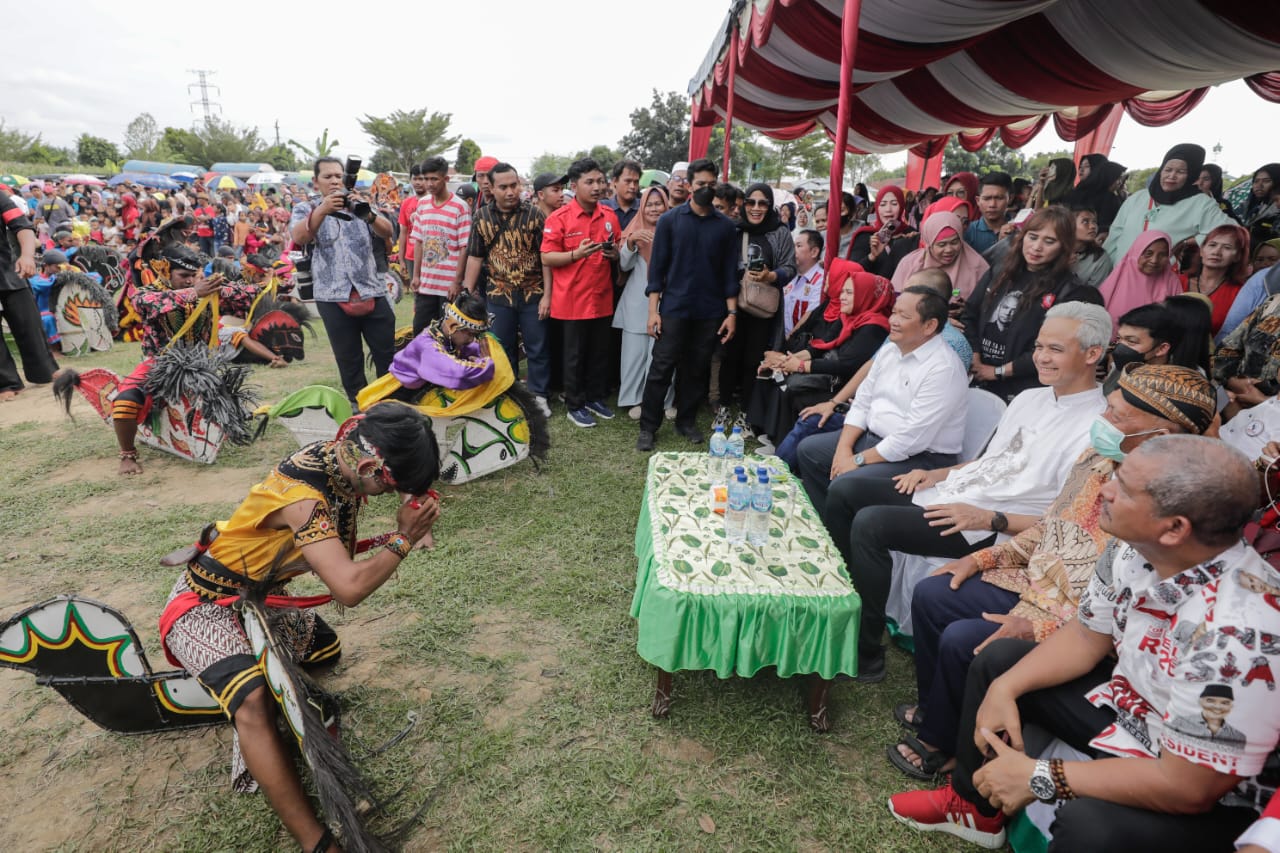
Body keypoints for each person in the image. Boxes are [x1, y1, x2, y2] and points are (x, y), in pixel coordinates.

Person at [889, 436, 1275, 853]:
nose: (1105, 489)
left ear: (1174, 528)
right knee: (999, 661)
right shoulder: (1132, 549)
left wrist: (1040, 775)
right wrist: (1004, 687)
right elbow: (1086, 635)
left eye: (1124, 488)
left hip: (1207, 790)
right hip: (1134, 718)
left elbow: (1189, 788)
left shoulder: (1239, 634)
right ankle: (973, 807)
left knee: (1089, 825)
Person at [891, 364, 1216, 781]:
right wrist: (982, 560)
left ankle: (948, 746)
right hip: (1036, 585)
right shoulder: (1098, 456)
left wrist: (1041, 626)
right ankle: (939, 714)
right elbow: (1052, 524)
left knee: (965, 639)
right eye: (1107, 409)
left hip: (1074, 622)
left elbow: (1120, 615)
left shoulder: (1171, 512)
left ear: (1162, 435)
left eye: (1116, 416)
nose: (1102, 422)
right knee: (935, 594)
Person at [159, 401, 441, 853]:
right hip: (205, 605)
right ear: (369, 465)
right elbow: (348, 587)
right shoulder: (303, 499)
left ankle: (244, 683)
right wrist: (403, 538)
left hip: (263, 602)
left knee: (327, 649)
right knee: (254, 702)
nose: (390, 497)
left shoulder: (335, 457)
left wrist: (410, 503)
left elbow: (359, 512)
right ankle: (317, 843)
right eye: (390, 489)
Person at [837, 302, 1109, 683]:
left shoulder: (1096, 428)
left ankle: (866, 651)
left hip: (992, 525)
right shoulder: (1032, 398)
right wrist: (936, 474)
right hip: (956, 494)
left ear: (1092, 354)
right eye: (1039, 347)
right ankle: (839, 600)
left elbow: (1066, 524)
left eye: (1055, 350)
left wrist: (989, 519)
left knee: (871, 523)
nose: (1042, 358)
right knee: (847, 490)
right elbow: (993, 461)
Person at [796, 286, 967, 520]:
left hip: (920, 458)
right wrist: (844, 448)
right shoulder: (890, 351)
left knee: (845, 485)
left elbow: (910, 439)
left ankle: (840, 546)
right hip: (874, 440)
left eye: (904, 316)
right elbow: (863, 403)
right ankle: (825, 523)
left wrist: (856, 460)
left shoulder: (943, 368)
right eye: (894, 312)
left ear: (930, 326)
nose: (893, 321)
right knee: (809, 450)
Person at [635, 158, 738, 452]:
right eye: (700, 184)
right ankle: (648, 427)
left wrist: (732, 313)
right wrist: (653, 311)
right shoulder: (670, 220)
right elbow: (657, 270)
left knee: (696, 369)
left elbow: (729, 274)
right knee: (661, 368)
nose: (706, 189)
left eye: (710, 184)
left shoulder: (725, 227)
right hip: (674, 309)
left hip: (710, 312)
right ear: (688, 185)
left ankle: (686, 421)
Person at [963, 206, 1102, 400]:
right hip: (977, 378)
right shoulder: (1001, 271)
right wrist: (975, 357)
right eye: (1033, 236)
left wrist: (998, 372)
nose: (1037, 247)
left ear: (1064, 246)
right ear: (1022, 237)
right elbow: (970, 313)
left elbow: (1055, 347)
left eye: (1050, 241)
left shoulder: (1070, 290)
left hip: (1024, 390)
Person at [289, 157, 396, 408]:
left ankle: (390, 405)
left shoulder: (359, 202)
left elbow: (387, 231)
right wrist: (323, 210)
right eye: (328, 177)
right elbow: (299, 237)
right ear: (316, 182)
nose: (335, 180)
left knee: (386, 354)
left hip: (372, 289)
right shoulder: (305, 208)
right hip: (331, 294)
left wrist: (366, 212)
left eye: (338, 175)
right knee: (349, 359)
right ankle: (359, 407)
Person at [748, 264, 892, 446]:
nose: (842, 297)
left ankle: (783, 443)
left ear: (865, 295)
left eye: (849, 293)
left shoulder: (874, 327)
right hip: (831, 374)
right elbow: (822, 346)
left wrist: (801, 366)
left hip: (847, 387)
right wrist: (786, 361)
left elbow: (848, 366)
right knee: (778, 375)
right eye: (843, 291)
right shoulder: (849, 316)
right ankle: (776, 438)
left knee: (792, 390)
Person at [462, 163, 552, 417]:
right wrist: (466, 294)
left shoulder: (535, 215)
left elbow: (546, 256)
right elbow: (475, 257)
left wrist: (548, 294)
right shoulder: (481, 217)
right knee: (501, 348)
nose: (511, 191)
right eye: (504, 187)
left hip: (533, 293)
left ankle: (540, 395)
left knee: (538, 347)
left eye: (515, 185)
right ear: (491, 187)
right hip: (498, 295)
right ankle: (510, 393)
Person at [541, 158, 622, 428]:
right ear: (574, 186)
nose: (597, 186)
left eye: (600, 181)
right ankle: (574, 404)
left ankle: (594, 397)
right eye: (590, 182)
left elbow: (617, 250)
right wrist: (575, 254)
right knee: (573, 355)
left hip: (601, 298)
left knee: (599, 352)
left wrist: (613, 254)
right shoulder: (559, 218)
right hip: (572, 299)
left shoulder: (609, 216)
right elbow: (548, 257)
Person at [716, 182, 796, 430]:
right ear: (744, 204)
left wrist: (770, 276)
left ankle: (746, 412)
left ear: (771, 206)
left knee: (753, 360)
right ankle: (723, 407)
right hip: (734, 304)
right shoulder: (733, 229)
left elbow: (790, 267)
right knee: (729, 356)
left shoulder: (780, 232)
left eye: (763, 203)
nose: (756, 208)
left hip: (764, 309)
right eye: (751, 202)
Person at [1104, 144, 1233, 264]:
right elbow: (1115, 234)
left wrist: (1190, 242)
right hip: (1121, 275)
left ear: (1192, 175)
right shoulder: (1139, 197)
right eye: (1168, 169)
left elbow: (1232, 232)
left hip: (1160, 281)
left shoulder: (1200, 204)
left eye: (1181, 172)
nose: (1171, 176)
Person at [615, 186, 671, 417]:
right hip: (637, 302)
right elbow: (624, 266)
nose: (654, 208)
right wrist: (631, 243)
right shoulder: (634, 229)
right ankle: (633, 400)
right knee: (634, 355)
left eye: (659, 204)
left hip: (668, 299)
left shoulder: (674, 229)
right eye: (649, 204)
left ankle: (662, 401)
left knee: (663, 354)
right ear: (642, 206)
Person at [0, 189, 58, 401]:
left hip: (8, 271)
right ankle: (6, 383)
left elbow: (22, 226)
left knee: (28, 323)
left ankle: (45, 371)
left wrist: (27, 256)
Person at [407, 156, 471, 336]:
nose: (429, 183)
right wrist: (416, 275)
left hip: (448, 287)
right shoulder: (422, 204)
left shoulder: (460, 207)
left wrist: (457, 282)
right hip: (426, 285)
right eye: (426, 178)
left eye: (434, 178)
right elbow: (418, 240)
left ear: (446, 179)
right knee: (421, 334)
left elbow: (464, 247)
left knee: (449, 336)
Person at [1102, 298, 1212, 394]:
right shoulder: (1125, 365)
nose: (1121, 346)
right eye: (1119, 338)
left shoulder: (1182, 385)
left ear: (1162, 348)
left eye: (1131, 341)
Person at [891, 209, 989, 307]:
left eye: (954, 242)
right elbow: (895, 302)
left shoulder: (977, 266)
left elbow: (987, 306)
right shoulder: (910, 264)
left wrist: (966, 312)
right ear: (929, 244)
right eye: (942, 245)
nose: (949, 250)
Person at [1098, 230, 1183, 331]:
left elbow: (1177, 320)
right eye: (1148, 253)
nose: (1154, 260)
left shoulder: (1172, 281)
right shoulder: (1118, 278)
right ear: (1137, 252)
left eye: (1162, 255)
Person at [1181, 223, 1250, 335]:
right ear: (1202, 250)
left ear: (1238, 256)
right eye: (1212, 245)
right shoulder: (1177, 282)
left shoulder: (1240, 293)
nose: (1217, 252)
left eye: (1227, 247)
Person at [846, 185, 919, 277]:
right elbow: (852, 274)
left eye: (894, 203)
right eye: (883, 204)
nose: (888, 209)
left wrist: (915, 243)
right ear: (877, 207)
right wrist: (872, 256)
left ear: (902, 206)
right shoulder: (865, 235)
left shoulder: (911, 234)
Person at [1064, 154, 1124, 236]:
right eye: (1080, 166)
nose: (1081, 170)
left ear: (1097, 169)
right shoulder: (1073, 193)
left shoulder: (1108, 197)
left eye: (1087, 166)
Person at [781, 228, 825, 339]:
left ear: (814, 252)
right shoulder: (790, 275)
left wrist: (788, 340)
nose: (793, 250)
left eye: (798, 246)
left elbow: (810, 315)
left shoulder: (821, 279)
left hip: (797, 343)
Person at [964, 173, 1013, 254]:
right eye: (987, 199)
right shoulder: (968, 232)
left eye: (999, 198)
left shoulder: (1019, 230)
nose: (992, 205)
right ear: (978, 201)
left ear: (1010, 199)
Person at [1069, 204, 1114, 288]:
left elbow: (1092, 295)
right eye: (1085, 222)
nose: (1093, 226)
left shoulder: (1100, 259)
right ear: (1070, 225)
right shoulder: (1055, 249)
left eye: (1094, 222)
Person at [1240, 164, 1280, 250]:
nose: (1259, 185)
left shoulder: (1277, 210)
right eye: (1256, 181)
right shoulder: (1250, 206)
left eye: (1266, 181)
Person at [602, 159, 643, 229]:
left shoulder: (644, 208)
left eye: (636, 182)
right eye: (628, 181)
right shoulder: (602, 208)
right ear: (615, 181)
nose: (632, 186)